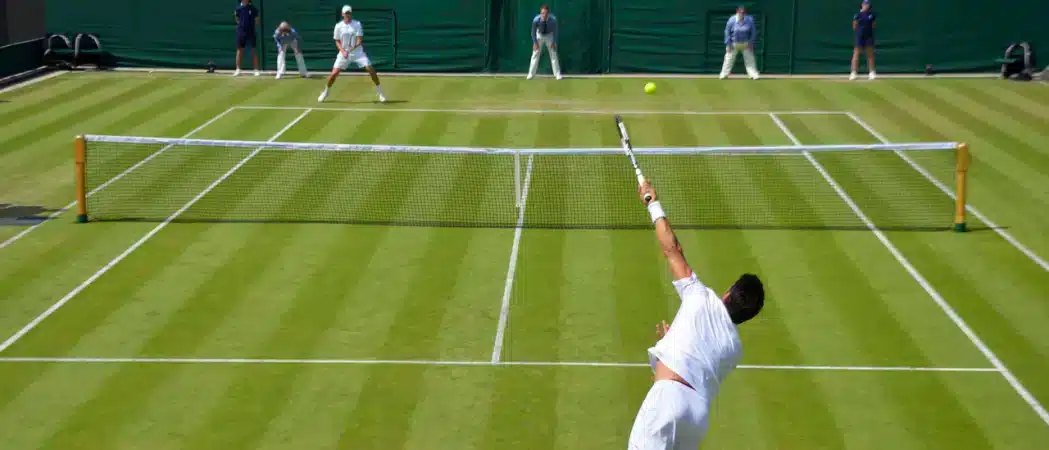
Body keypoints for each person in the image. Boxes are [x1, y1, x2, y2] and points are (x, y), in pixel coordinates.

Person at [627, 179, 765, 449]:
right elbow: (699, 359)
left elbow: (672, 250)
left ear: (727, 293)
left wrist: (652, 203)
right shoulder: (734, 349)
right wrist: (674, 338)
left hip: (670, 400)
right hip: (697, 416)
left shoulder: (700, 297)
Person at [318, 5, 386, 103]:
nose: (348, 15)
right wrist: (343, 51)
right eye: (346, 13)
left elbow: (359, 40)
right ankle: (326, 92)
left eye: (349, 13)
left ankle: (380, 93)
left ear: (351, 14)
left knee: (370, 69)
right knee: (333, 74)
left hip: (357, 52)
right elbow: (337, 41)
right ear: (342, 14)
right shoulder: (338, 26)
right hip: (343, 53)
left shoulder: (357, 24)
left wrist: (350, 50)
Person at [719, 6, 760, 80]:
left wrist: (751, 43)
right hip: (733, 43)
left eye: (743, 13)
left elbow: (753, 32)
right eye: (740, 12)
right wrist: (728, 44)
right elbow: (727, 32)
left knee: (750, 59)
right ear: (737, 12)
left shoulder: (750, 20)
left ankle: (753, 75)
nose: (742, 14)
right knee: (728, 59)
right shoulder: (731, 20)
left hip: (746, 43)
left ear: (745, 13)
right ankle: (723, 74)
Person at [527, 4, 562, 80]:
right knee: (535, 54)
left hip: (549, 36)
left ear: (548, 13)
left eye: (546, 13)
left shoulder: (553, 20)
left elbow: (555, 32)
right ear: (540, 13)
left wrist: (553, 42)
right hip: (539, 35)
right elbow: (533, 32)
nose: (544, 15)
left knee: (553, 54)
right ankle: (531, 74)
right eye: (542, 13)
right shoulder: (536, 20)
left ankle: (557, 74)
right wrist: (535, 42)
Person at [233, 0, 260, 77]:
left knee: (253, 49)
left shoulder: (253, 8)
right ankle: (238, 69)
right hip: (241, 32)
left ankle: (256, 70)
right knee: (240, 50)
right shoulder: (238, 9)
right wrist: (241, 27)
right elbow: (237, 19)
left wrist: (253, 28)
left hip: (251, 32)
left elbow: (257, 20)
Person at [851, 1, 876, 80]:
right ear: (862, 5)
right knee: (856, 54)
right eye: (865, 4)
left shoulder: (871, 15)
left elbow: (873, 25)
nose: (866, 6)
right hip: (860, 37)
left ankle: (871, 72)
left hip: (869, 37)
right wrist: (860, 32)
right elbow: (854, 26)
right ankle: (853, 73)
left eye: (867, 4)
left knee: (870, 54)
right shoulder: (857, 15)